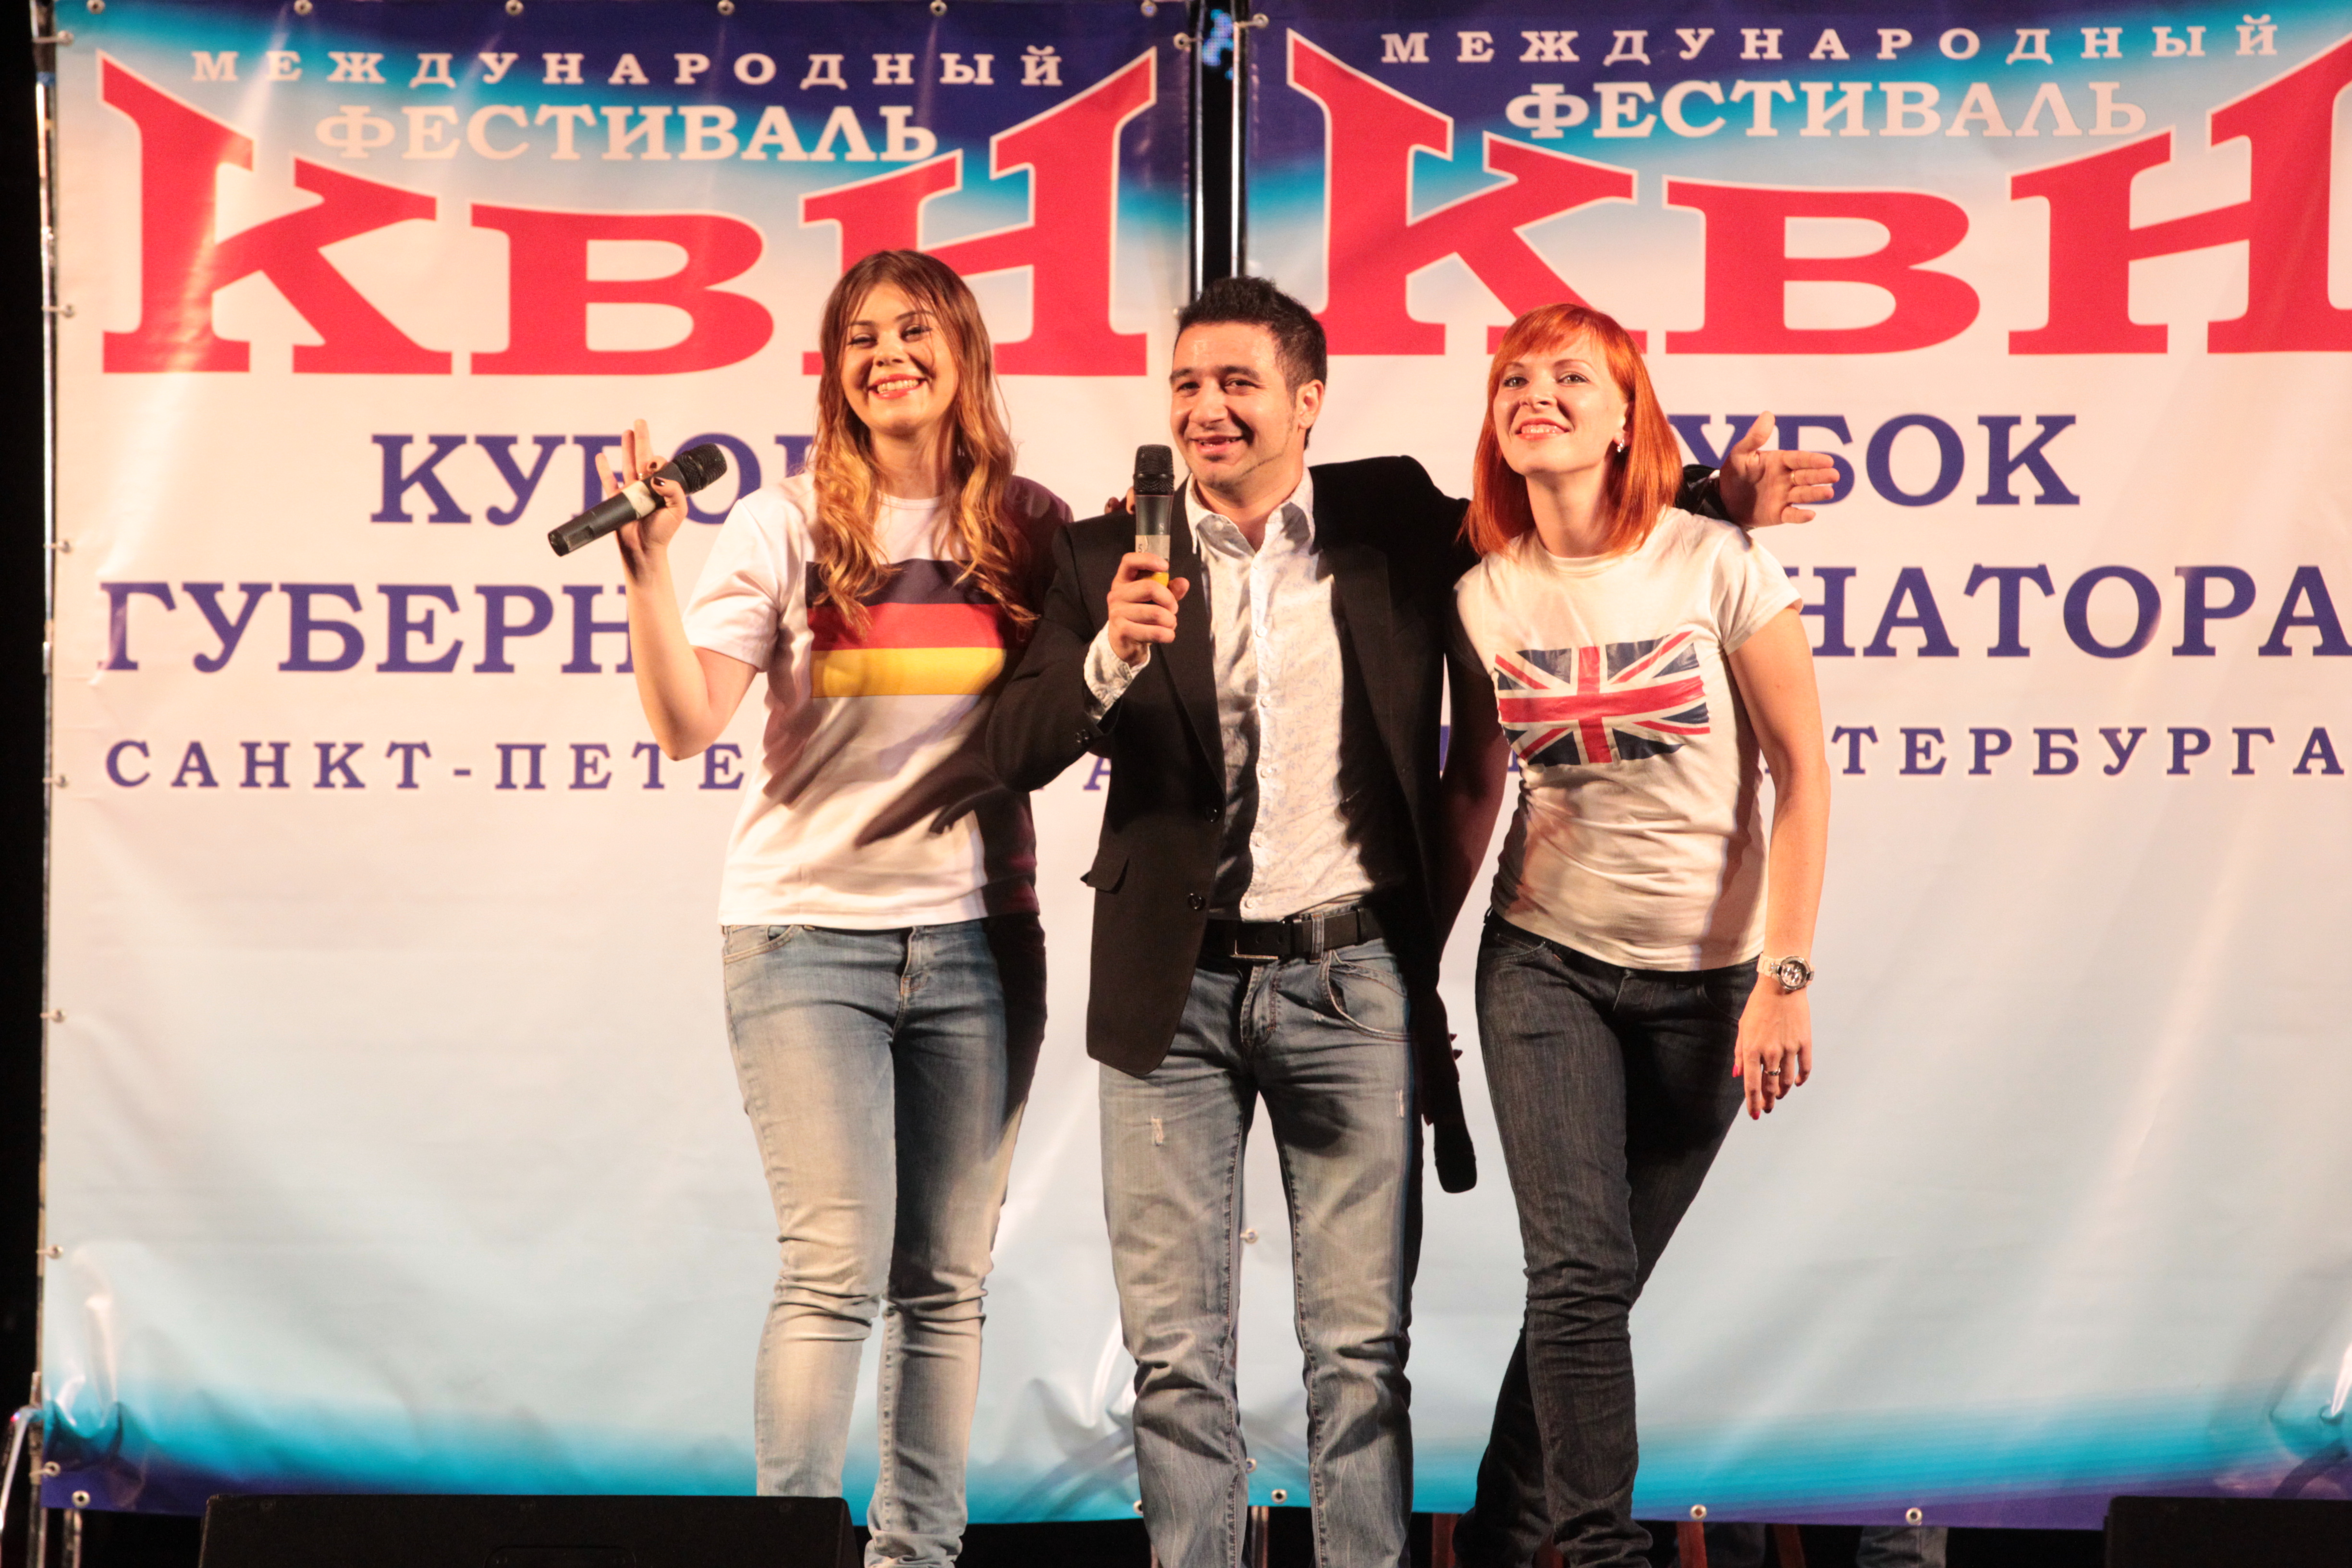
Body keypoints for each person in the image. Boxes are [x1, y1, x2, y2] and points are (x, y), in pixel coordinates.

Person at [986, 276, 1834, 1568]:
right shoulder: (1107, 559)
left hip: (1349, 980)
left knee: (1361, 1353)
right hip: (1172, 995)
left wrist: (1720, 492)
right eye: (1187, 385)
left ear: (1308, 402)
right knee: (1174, 1356)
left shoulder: (1389, 520)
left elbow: (1566, 509)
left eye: (1239, 383)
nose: (1208, 409)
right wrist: (1112, 652)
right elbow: (1016, 746)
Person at [602, 249, 1067, 1568]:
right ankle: (793, 1553)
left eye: (914, 331)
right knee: (832, 1271)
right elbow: (686, 722)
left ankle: (920, 1555)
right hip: (807, 939)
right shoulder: (785, 522)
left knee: (945, 1284)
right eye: (860, 338)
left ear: (963, 353)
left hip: (981, 938)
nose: (888, 357)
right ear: (835, 369)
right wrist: (645, 573)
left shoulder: (1031, 526)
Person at [1438, 302, 1831, 1568]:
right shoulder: (1483, 595)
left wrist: (1785, 976)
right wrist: (1416, 976)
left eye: (1571, 377)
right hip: (1542, 962)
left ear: (1625, 420)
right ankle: (1604, 1552)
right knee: (1575, 1276)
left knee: (1597, 1288)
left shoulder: (1714, 561)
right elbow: (1475, 787)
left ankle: (1501, 1539)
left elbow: (1802, 773)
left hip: (1709, 988)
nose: (1536, 394)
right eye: (1515, 377)